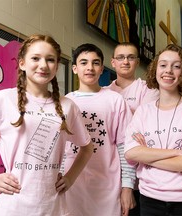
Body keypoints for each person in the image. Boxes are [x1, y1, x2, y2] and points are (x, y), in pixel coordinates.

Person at [0, 34, 93, 216]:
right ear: (22, 63)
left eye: (50, 60)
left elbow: (87, 148)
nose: (43, 65)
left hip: (54, 208)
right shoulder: (2, 99)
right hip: (12, 207)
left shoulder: (68, 106)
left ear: (56, 66)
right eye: (35, 58)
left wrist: (70, 178)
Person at [124, 43, 182, 216]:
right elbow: (131, 153)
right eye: (163, 65)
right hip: (149, 201)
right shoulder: (143, 111)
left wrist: (147, 155)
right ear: (155, 70)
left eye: (176, 66)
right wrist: (177, 152)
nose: (168, 71)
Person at [63, 43, 136, 216]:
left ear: (102, 68)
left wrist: (127, 186)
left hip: (108, 188)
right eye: (83, 62)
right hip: (71, 186)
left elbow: (125, 146)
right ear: (74, 68)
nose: (90, 68)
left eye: (95, 63)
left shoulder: (116, 101)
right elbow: (60, 149)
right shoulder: (65, 102)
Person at [106, 42, 159, 215]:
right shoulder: (105, 91)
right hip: (110, 174)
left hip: (140, 177)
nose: (125, 61)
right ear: (113, 62)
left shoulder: (149, 90)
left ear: (137, 62)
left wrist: (115, 115)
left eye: (131, 57)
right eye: (120, 57)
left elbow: (143, 126)